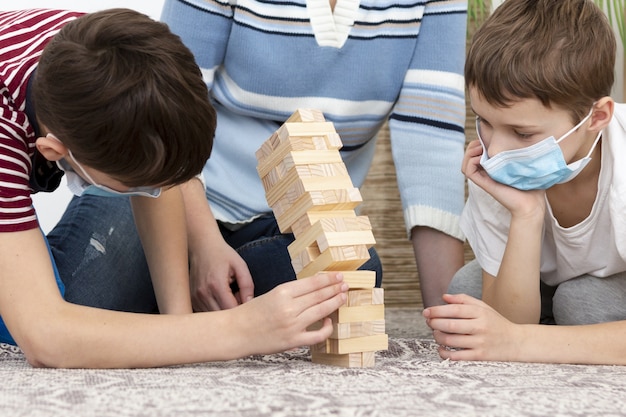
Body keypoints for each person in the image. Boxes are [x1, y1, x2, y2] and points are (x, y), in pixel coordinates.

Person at [60, 0, 469, 313]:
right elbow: (164, 117)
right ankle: (178, 297)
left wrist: (448, 316)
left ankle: (182, 305)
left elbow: (429, 143)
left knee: (351, 275)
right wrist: (203, 246)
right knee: (78, 303)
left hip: (281, 225)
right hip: (162, 193)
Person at [0, 8, 348, 368]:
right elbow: (46, 338)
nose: (159, 190)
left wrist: (182, 317)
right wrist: (238, 330)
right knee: (64, 314)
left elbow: (161, 178)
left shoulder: (104, 53)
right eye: (142, 185)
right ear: (53, 151)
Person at [424, 0, 626, 365]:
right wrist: (527, 213)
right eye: (484, 120)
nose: (496, 151)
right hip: (543, 283)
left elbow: (509, 337)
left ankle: (564, 334)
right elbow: (506, 322)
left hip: (613, 284)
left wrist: (519, 342)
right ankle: (563, 335)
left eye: (522, 133)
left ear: (597, 116)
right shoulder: (494, 158)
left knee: (584, 303)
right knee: (468, 291)